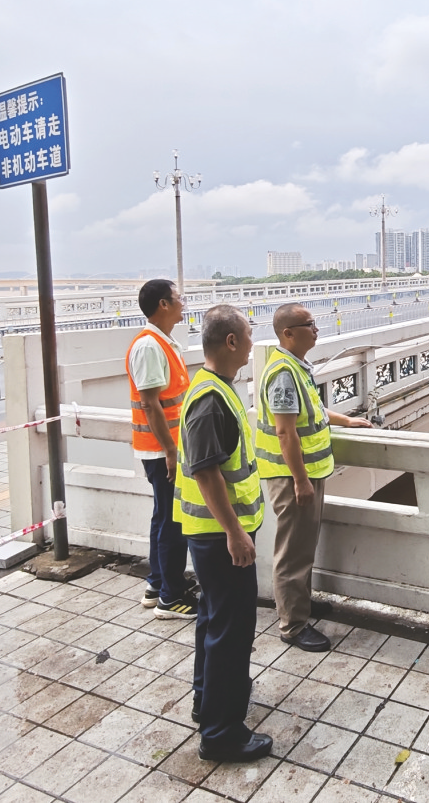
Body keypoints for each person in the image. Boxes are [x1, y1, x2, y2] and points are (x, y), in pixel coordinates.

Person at [174, 304, 272, 763]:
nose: (253, 342)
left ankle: (205, 702)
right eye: (249, 334)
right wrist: (236, 533)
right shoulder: (211, 398)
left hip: (210, 535)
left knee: (214, 622)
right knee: (232, 632)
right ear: (231, 342)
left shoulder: (218, 388)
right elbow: (207, 472)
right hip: (219, 538)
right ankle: (222, 734)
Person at [255, 303, 371, 652]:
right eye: (309, 324)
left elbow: (313, 412)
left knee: (304, 547)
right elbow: (285, 432)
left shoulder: (296, 367)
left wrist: (347, 421)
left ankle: (300, 606)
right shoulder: (283, 374)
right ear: (288, 333)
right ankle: (292, 625)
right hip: (292, 478)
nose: (316, 329)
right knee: (293, 552)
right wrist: (300, 480)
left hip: (306, 474)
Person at [125, 279, 199, 620]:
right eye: (178, 298)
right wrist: (171, 451)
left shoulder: (164, 343)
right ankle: (172, 598)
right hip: (162, 451)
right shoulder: (150, 347)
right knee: (173, 524)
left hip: (165, 448)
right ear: (163, 305)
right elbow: (151, 405)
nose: (183, 303)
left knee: (163, 519)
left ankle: (157, 585)